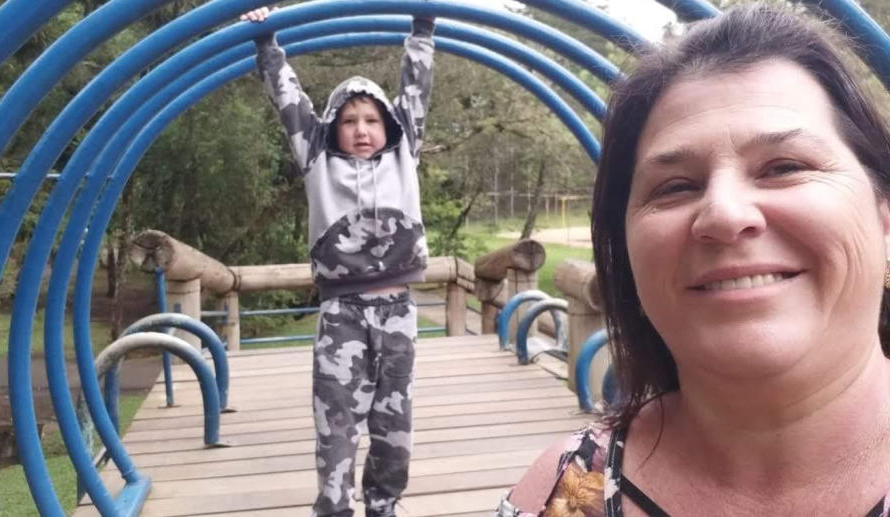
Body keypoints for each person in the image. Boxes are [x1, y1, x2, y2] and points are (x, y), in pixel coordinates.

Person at [496, 3, 890, 516]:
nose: (724, 214)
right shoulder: (566, 496)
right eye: (676, 186)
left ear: (884, 215)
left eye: (784, 167)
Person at [242, 7, 435, 516]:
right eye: (349, 120)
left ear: (390, 126)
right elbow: (290, 100)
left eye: (372, 119)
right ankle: (334, 508)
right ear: (332, 127)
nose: (362, 129)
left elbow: (415, 90)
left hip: (397, 311)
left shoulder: (404, 153)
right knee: (337, 428)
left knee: (394, 428)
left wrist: (423, 27)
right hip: (340, 314)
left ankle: (384, 506)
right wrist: (267, 42)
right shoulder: (317, 158)